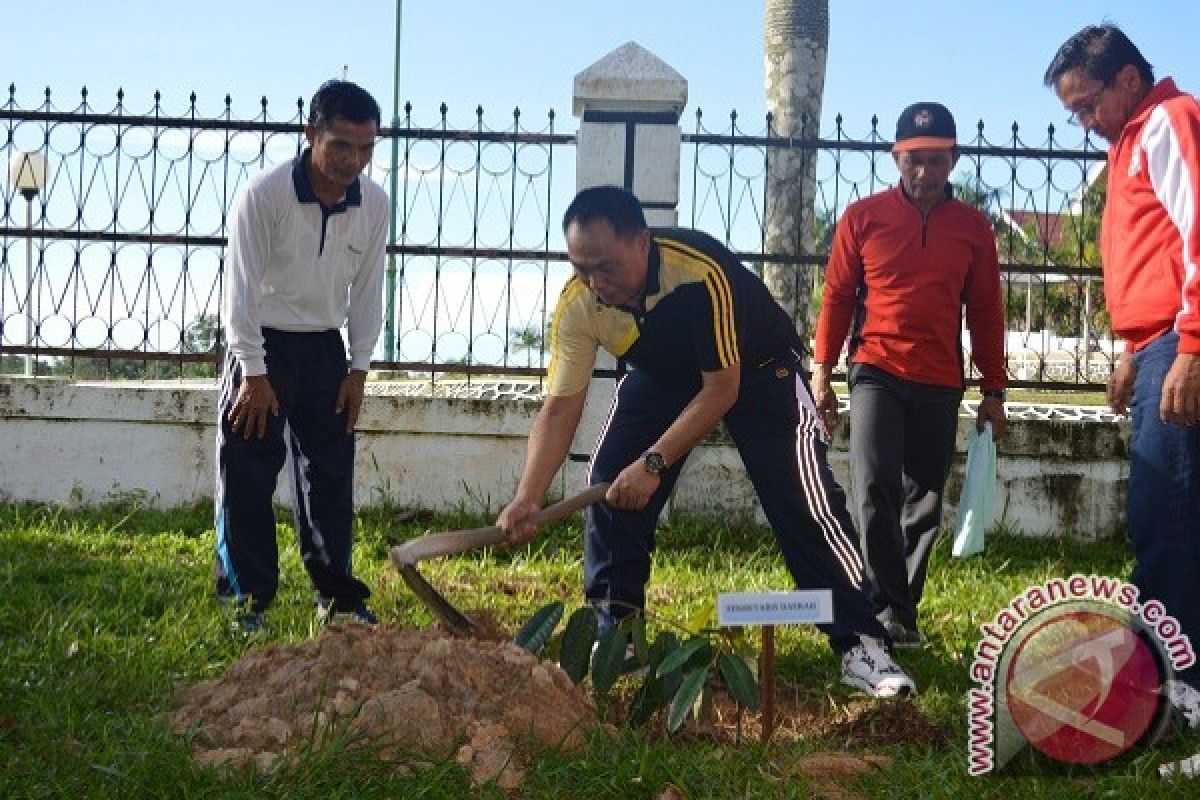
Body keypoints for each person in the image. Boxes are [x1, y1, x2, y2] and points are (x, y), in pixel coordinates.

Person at [497, 185, 916, 698]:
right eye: (582, 268)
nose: (595, 283)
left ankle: (861, 643)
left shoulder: (697, 271)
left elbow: (722, 390)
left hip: (760, 370)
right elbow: (561, 407)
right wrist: (527, 496)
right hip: (665, 376)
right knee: (609, 487)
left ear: (641, 242)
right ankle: (618, 639)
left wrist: (653, 463)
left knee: (805, 502)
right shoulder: (579, 304)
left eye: (605, 267)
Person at [1045, 24, 1200, 724]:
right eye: (1072, 112)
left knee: (1166, 514)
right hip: (1159, 342)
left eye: (1086, 105)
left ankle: (1175, 684)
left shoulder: (1169, 121)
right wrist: (1136, 349)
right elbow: (1156, 257)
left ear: (1128, 82)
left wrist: (1189, 344)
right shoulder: (1128, 143)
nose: (1082, 122)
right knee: (1166, 512)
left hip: (1183, 341)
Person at [811, 101, 1007, 649]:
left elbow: (987, 309)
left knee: (924, 496)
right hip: (876, 367)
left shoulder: (973, 229)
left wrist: (995, 389)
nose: (924, 173)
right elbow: (837, 296)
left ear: (954, 159)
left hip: (940, 377)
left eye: (936, 161)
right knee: (874, 483)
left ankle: (903, 611)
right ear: (896, 158)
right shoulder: (863, 217)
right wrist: (822, 371)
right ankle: (881, 606)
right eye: (913, 160)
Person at [214, 80, 389, 633]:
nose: (353, 161)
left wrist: (358, 368)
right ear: (310, 134)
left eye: (366, 149)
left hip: (324, 352)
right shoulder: (265, 195)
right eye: (341, 145)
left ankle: (338, 599)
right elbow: (238, 290)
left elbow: (367, 290)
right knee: (246, 473)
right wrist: (253, 372)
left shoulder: (374, 202)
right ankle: (247, 601)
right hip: (259, 346)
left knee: (330, 476)